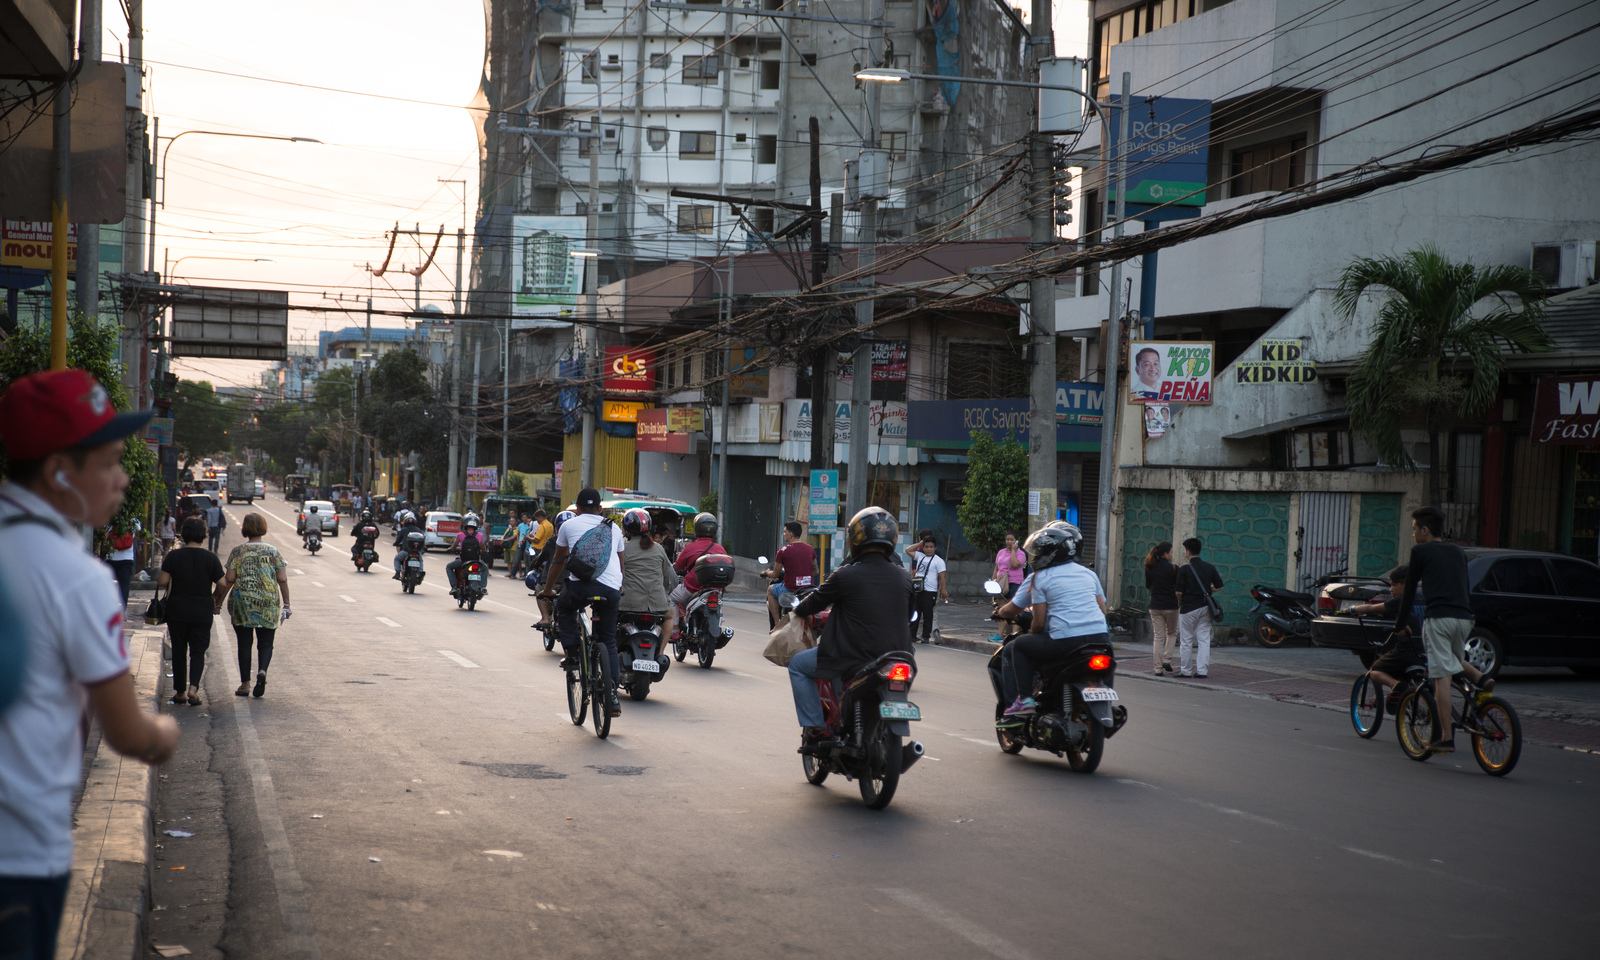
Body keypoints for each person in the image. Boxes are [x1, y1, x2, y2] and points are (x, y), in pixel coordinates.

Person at [0, 369, 178, 960]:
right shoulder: (79, 577)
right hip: (20, 857)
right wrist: (164, 733)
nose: (122, 480)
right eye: (109, 463)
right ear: (59, 472)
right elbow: (127, 733)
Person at [787, 507, 916, 750]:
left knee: (798, 665)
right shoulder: (904, 577)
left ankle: (815, 727)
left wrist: (797, 609)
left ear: (855, 539)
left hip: (853, 657)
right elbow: (909, 615)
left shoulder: (844, 575)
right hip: (900, 657)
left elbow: (811, 605)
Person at [995, 523, 1110, 720]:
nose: (1036, 556)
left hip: (1066, 641)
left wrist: (1030, 629)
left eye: (1040, 552)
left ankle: (1025, 701)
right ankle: (1106, 702)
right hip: (1101, 637)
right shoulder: (1089, 573)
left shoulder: (1040, 577)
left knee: (1018, 646)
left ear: (1052, 553)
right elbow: (1103, 610)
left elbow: (1039, 623)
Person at [1395, 506, 1486, 753]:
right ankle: (1481, 678)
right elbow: (1464, 586)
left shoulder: (1420, 551)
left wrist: (1400, 625)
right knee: (1453, 659)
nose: (1413, 534)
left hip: (1439, 619)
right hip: (1464, 619)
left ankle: (1446, 737)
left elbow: (1409, 591)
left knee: (1441, 678)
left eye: (1415, 529)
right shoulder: (1458, 551)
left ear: (1425, 530)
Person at [540, 489, 626, 717]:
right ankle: (612, 696)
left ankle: (572, 654)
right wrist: (618, 587)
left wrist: (547, 590)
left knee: (564, 606)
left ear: (577, 509)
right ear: (600, 508)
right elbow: (620, 563)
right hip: (611, 590)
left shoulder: (568, 526)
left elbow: (558, 560)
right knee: (608, 641)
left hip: (581, 587)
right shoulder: (614, 528)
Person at [215, 513, 290, 699]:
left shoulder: (238, 551)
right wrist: (287, 603)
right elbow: (282, 578)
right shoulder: (273, 551)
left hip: (242, 603)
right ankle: (262, 671)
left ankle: (245, 684)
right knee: (266, 642)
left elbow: (229, 579)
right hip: (268, 602)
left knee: (244, 643)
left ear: (245, 529)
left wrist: (218, 602)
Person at [159, 517, 225, 706]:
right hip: (202, 611)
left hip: (177, 610)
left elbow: (162, 581)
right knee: (198, 651)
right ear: (203, 535)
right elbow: (222, 583)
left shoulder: (173, 556)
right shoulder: (210, 558)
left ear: (184, 534)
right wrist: (215, 598)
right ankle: (193, 689)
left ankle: (180, 692)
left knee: (179, 650)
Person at [1349, 565, 1424, 713]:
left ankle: (1396, 686)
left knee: (1374, 671)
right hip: (1425, 649)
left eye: (1394, 585)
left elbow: (1372, 608)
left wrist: (1353, 609)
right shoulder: (1424, 598)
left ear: (1404, 584)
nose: (1391, 589)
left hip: (1406, 650)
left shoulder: (1401, 600)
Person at [618, 508, 677, 641]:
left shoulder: (622, 548)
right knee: (669, 617)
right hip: (657, 604)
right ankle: (661, 651)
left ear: (626, 529)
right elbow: (672, 579)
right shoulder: (658, 548)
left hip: (627, 603)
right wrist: (664, 593)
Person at [670, 511, 727, 634]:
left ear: (697, 528)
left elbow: (678, 567)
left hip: (692, 588)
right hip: (715, 589)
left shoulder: (691, 547)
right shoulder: (720, 548)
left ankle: (674, 629)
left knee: (671, 599)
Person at [1176, 537, 1223, 679]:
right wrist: (1209, 590)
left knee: (1186, 640)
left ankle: (1186, 670)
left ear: (1188, 551)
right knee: (1204, 640)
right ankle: (1202, 671)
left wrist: (1180, 603)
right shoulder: (1209, 567)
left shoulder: (1184, 569)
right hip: (1205, 607)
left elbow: (1178, 592)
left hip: (1188, 608)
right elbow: (1219, 585)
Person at [763, 521, 817, 626]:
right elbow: (815, 570)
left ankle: (777, 624)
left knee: (770, 590)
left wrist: (766, 572)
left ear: (791, 534)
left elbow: (775, 574)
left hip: (791, 589)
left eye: (785, 532)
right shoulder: (810, 549)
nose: (784, 534)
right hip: (808, 589)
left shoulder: (783, 551)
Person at [1144, 541, 1180, 675]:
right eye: (1171, 552)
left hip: (1155, 606)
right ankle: (1167, 659)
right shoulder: (1174, 568)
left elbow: (1148, 585)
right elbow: (1178, 587)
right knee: (1171, 633)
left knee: (1158, 637)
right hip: (1171, 606)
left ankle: (1157, 669)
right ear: (1166, 554)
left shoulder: (1149, 567)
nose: (1172, 554)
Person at [909, 534, 948, 644]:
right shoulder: (920, 556)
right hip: (917, 590)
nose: (929, 549)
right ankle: (912, 636)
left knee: (928, 615)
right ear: (923, 547)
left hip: (930, 592)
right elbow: (908, 550)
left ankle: (925, 637)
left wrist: (943, 590)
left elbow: (942, 577)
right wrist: (920, 543)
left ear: (935, 548)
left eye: (931, 547)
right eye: (926, 546)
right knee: (915, 614)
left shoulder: (939, 561)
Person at [992, 532, 1026, 640]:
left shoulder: (1021, 554)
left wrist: (1013, 551)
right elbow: (997, 567)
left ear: (1016, 541)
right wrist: (993, 580)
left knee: (1014, 608)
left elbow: (1014, 564)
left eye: (1012, 539)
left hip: (1014, 582)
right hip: (1001, 583)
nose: (1009, 541)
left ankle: (1015, 634)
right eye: (1007, 539)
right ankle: (1000, 634)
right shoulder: (1001, 552)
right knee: (1001, 608)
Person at [446, 512, 488, 597]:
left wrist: (450, 549)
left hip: (463, 561)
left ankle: (454, 587)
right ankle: (483, 587)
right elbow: (483, 548)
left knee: (449, 567)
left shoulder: (460, 535)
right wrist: (484, 551)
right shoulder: (479, 535)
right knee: (485, 568)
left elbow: (453, 547)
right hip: (476, 561)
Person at [106, 519, 138, 604]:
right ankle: (122, 609)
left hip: (111, 558)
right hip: (126, 559)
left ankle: (110, 608)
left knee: (109, 588)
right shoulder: (133, 520)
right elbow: (138, 529)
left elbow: (105, 535)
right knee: (124, 588)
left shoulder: (110, 519)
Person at [391, 509, 424, 579]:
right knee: (420, 560)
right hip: (417, 552)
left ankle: (397, 573)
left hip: (406, 551)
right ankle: (421, 572)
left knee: (397, 559)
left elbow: (398, 539)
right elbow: (423, 540)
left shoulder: (403, 529)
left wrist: (395, 543)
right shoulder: (419, 530)